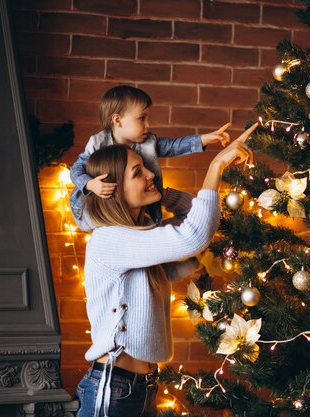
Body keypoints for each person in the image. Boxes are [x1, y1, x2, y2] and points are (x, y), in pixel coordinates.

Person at [76, 123, 258, 417]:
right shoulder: (109, 239)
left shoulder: (139, 236)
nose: (150, 174)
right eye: (138, 173)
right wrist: (216, 166)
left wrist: (162, 192)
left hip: (140, 386)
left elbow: (193, 217)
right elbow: (194, 235)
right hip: (114, 389)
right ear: (112, 189)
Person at [69, 85, 231, 231]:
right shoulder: (98, 143)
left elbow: (173, 146)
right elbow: (76, 169)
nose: (148, 125)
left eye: (148, 118)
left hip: (134, 210)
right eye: (142, 118)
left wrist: (204, 139)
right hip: (93, 209)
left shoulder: (147, 142)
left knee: (149, 227)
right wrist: (90, 184)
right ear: (117, 120)